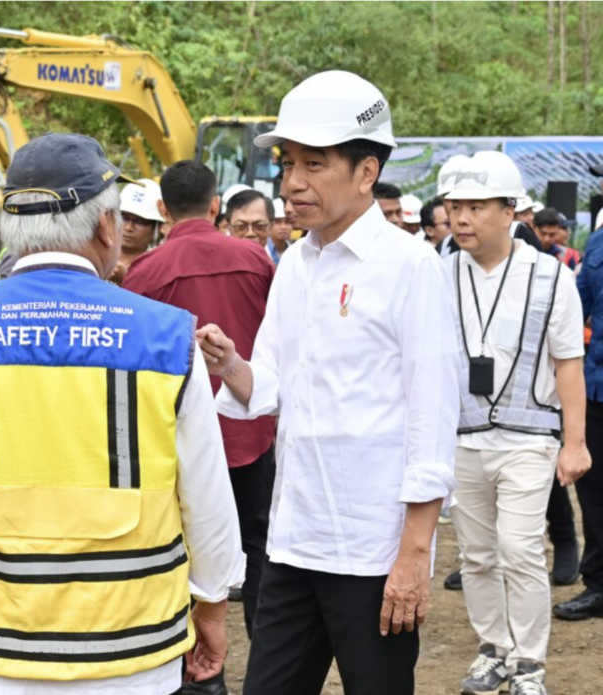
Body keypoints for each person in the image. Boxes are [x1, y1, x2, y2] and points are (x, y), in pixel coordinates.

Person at [0, 134, 244, 695]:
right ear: (106, 228)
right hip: (132, 653)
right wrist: (213, 608)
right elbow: (208, 500)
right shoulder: (170, 340)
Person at [198, 71, 460, 695]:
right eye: (289, 164)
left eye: (314, 165)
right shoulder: (296, 266)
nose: (292, 183)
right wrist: (228, 364)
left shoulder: (410, 267)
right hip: (294, 541)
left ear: (366, 171)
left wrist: (414, 554)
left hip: (373, 552)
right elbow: (270, 384)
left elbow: (432, 416)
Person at [442, 151, 590, 695]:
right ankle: (494, 649)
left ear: (510, 212)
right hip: (462, 438)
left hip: (529, 439)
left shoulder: (551, 276)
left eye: (475, 207)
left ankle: (530, 662)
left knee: (520, 548)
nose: (460, 218)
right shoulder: (436, 272)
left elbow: (568, 362)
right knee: (476, 554)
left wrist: (575, 442)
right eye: (454, 206)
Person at [123, 159, 277, 679]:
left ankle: (193, 667)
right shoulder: (256, 260)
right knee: (258, 546)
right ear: (216, 206)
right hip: (253, 429)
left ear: (162, 210)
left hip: (177, 441)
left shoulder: (145, 273)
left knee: (182, 552)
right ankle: (270, 664)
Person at [556, 175, 603, 622]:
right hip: (597, 388)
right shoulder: (599, 241)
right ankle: (599, 584)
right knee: (594, 491)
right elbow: (578, 305)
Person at [108, 178, 164, 284]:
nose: (129, 228)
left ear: (157, 227)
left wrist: (125, 280)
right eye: (124, 217)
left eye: (140, 222)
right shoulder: (98, 255)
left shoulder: (158, 266)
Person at [228, 188, 275, 255]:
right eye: (241, 227)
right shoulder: (216, 263)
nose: (250, 233)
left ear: (270, 228)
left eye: (259, 226)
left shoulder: (281, 263)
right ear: (230, 229)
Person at [269, 198, 291, 263]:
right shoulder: (262, 249)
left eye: (287, 222)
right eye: (277, 222)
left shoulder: (296, 251)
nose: (283, 227)